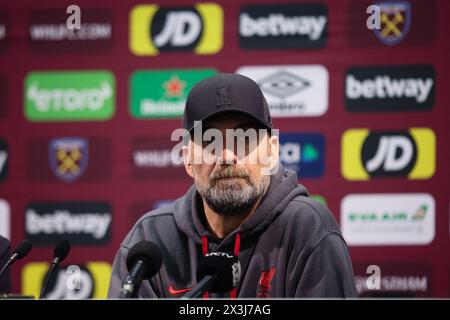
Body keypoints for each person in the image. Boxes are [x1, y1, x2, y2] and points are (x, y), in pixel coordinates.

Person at [108, 73, 357, 298]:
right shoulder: (152, 239)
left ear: (271, 153)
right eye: (210, 141)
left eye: (244, 139)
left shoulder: (307, 229)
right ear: (188, 160)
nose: (227, 156)